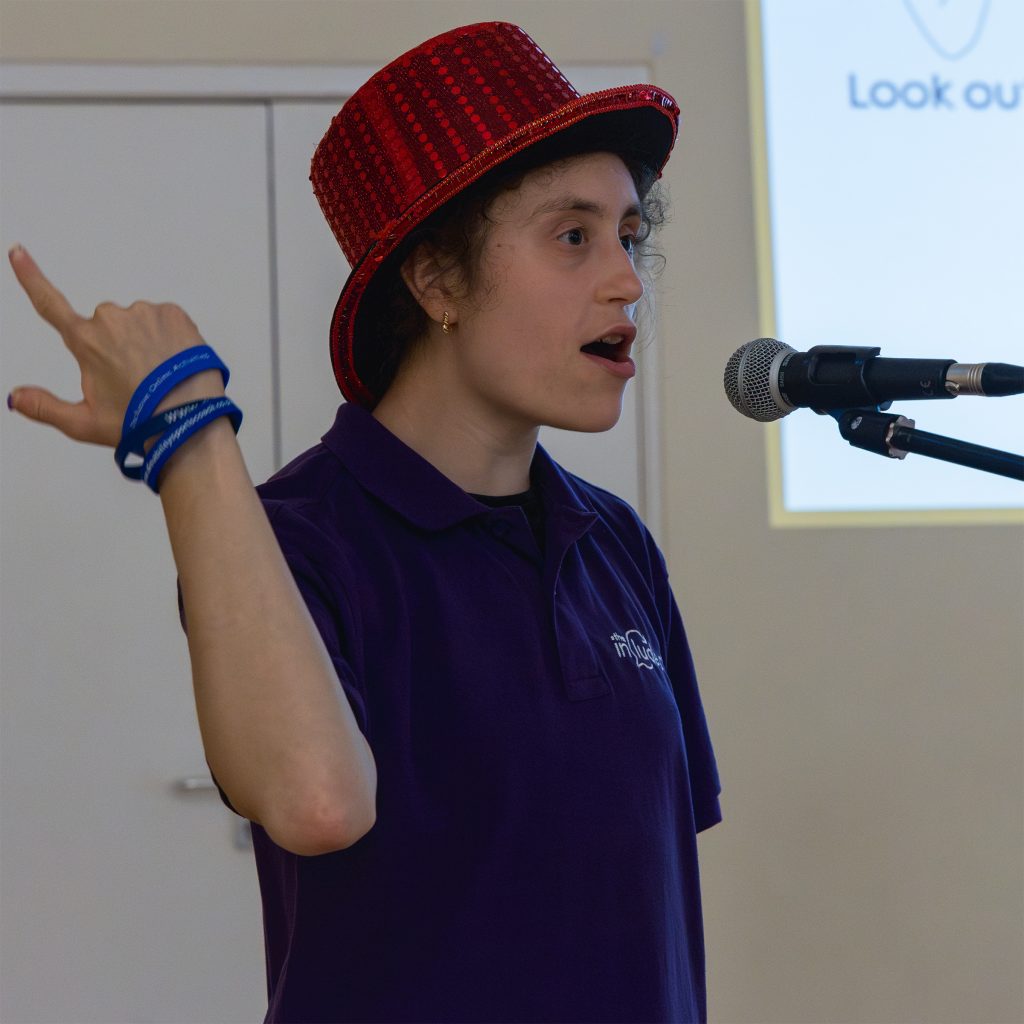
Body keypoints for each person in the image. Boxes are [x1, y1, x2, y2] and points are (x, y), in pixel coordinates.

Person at [7, 22, 721, 1024]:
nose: (625, 281)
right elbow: (316, 801)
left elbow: (644, 911)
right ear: (434, 282)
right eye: (573, 236)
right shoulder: (299, 538)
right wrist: (190, 439)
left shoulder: (616, 544)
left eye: (629, 236)